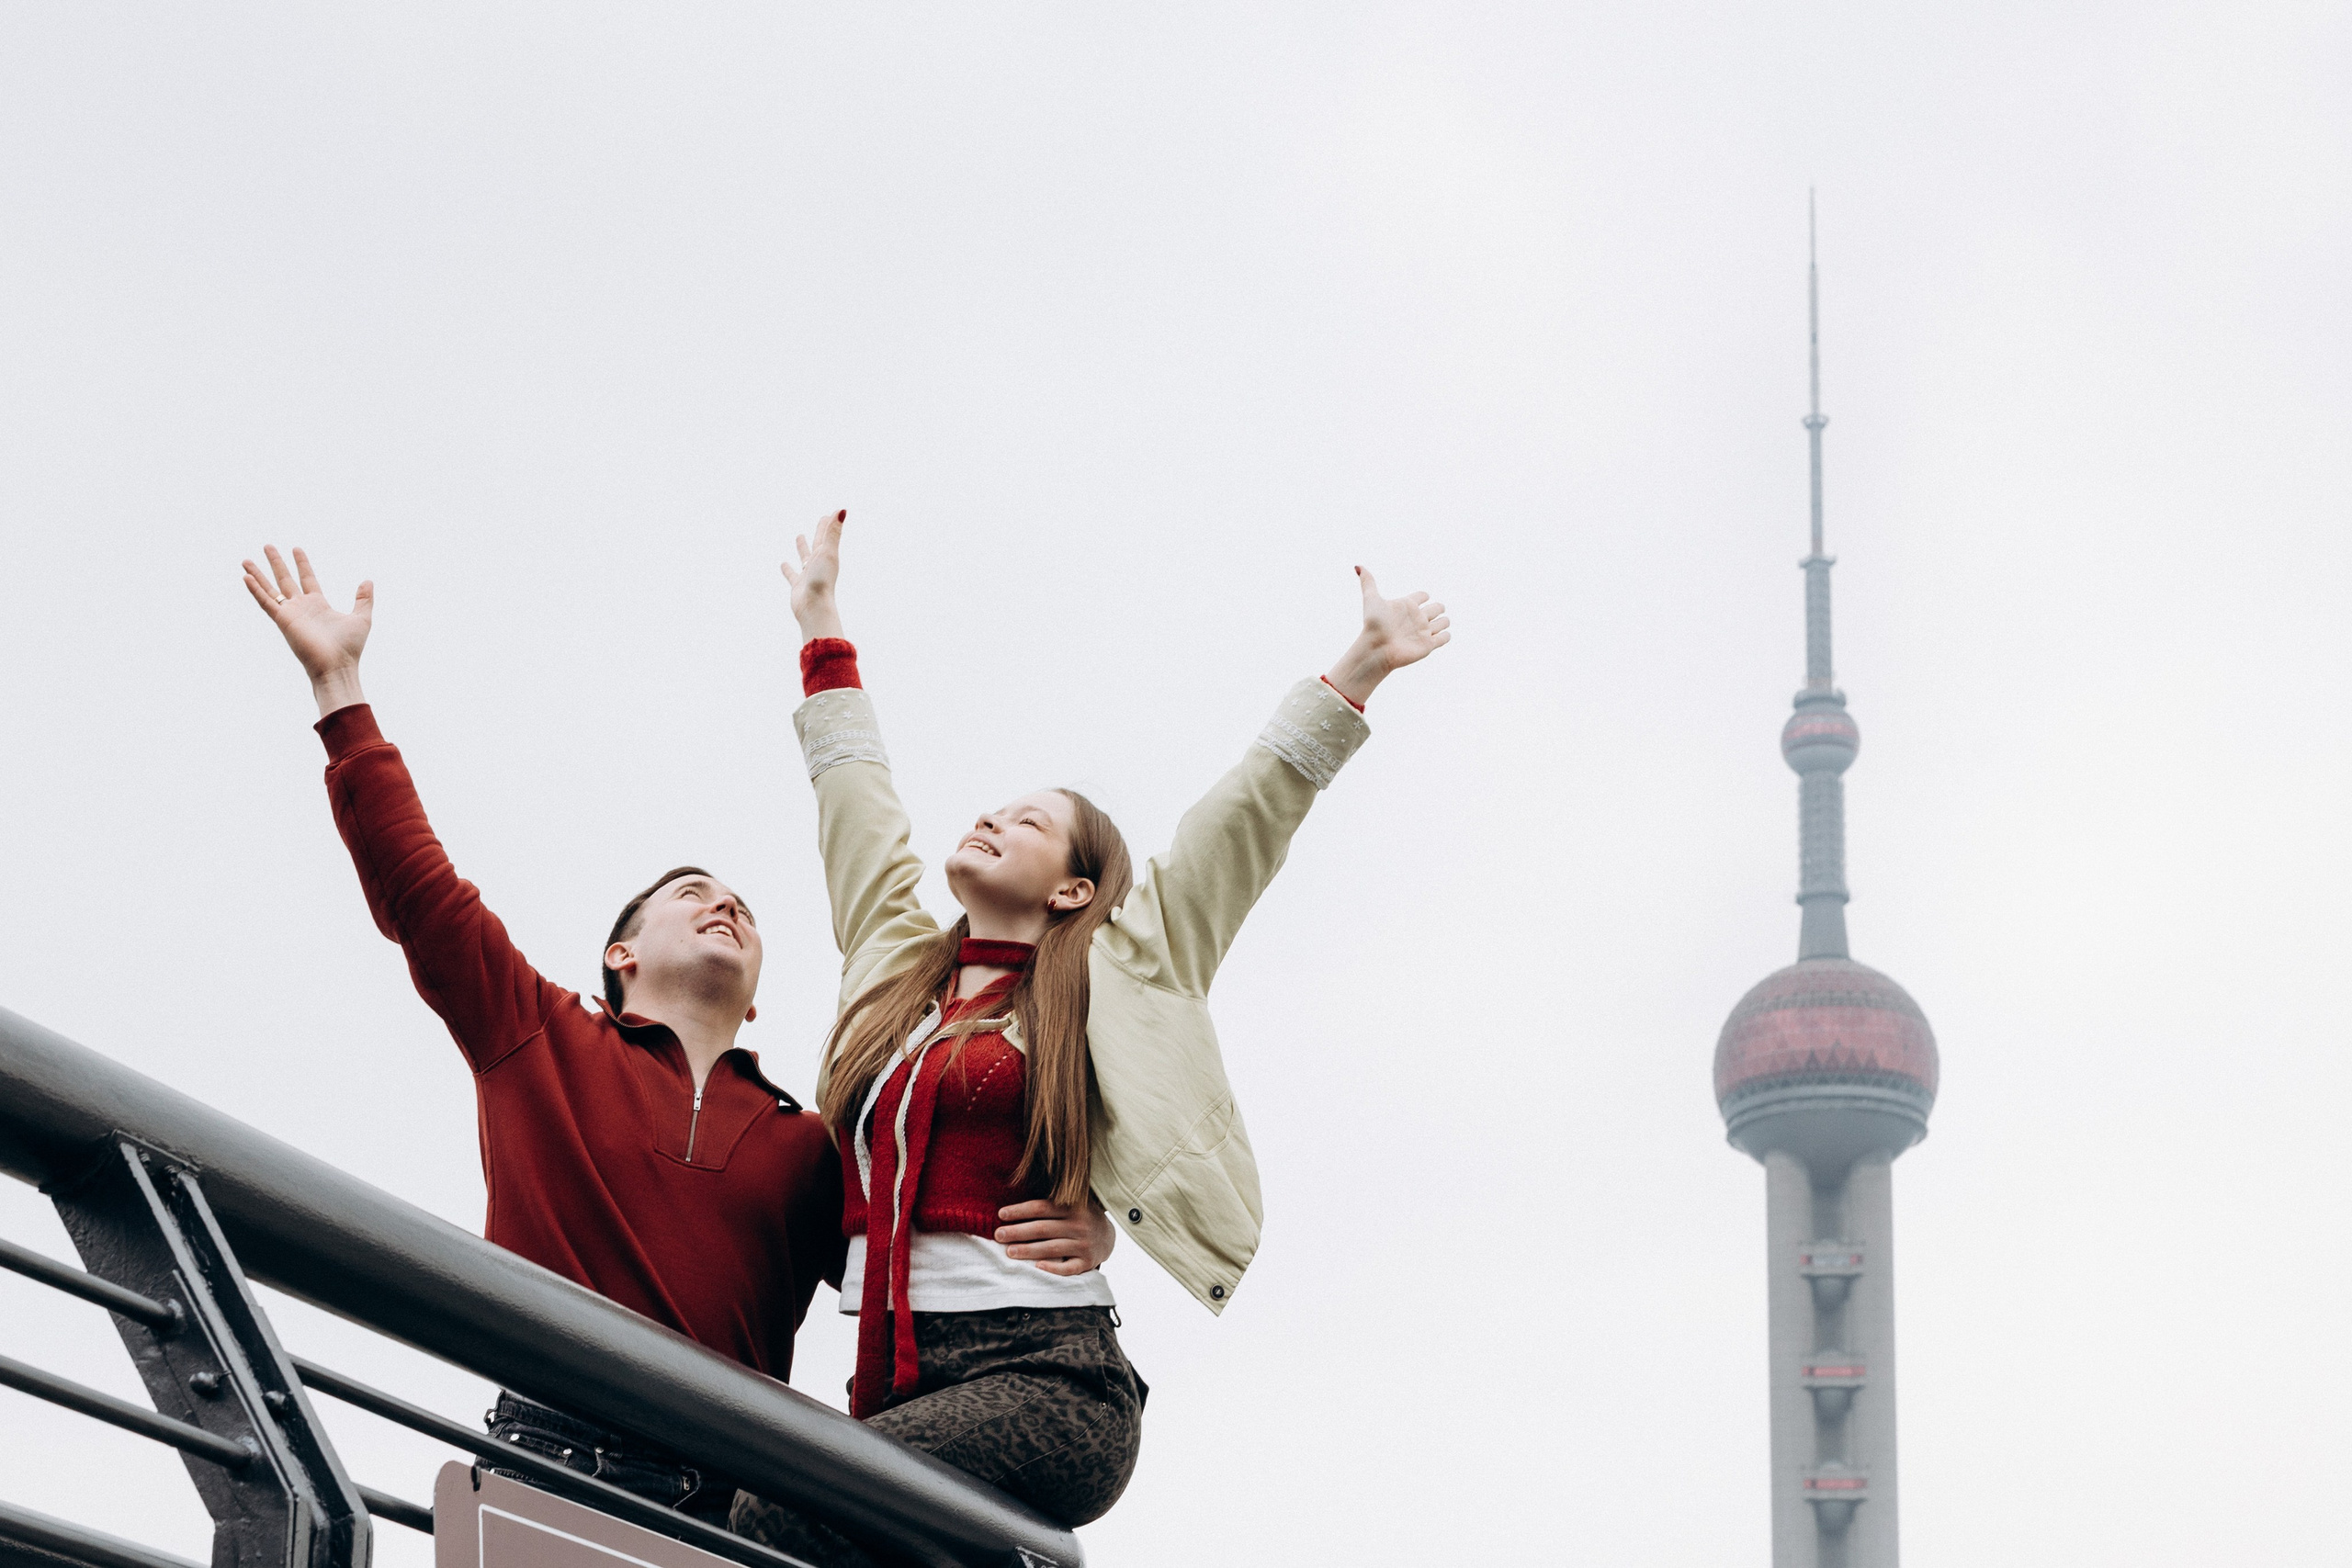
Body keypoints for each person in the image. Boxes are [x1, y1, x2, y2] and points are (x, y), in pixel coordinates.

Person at [238, 545, 1114, 1523]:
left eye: (742, 905)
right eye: (691, 895)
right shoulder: (536, 1038)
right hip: (555, 1463)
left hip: (739, 1490)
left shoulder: (803, 1142)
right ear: (620, 957)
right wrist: (338, 686)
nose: (723, 906)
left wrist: (1093, 1217)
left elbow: (919, 1229)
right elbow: (420, 893)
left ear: (755, 1004)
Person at [730, 512, 1449, 1564]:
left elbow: (1239, 822)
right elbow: (856, 802)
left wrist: (1360, 668)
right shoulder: (894, 974)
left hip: (1047, 1379)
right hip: (900, 1386)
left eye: (1027, 820)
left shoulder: (1120, 967)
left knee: (768, 1515)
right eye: (989, 808)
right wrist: (822, 624)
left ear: (1074, 886)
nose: (990, 819)